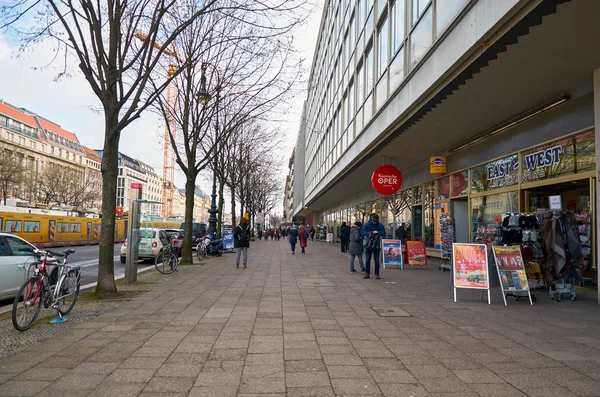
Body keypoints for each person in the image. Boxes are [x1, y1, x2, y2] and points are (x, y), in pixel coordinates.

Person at [360, 213, 386, 279]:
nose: (374, 222)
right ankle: (367, 273)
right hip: (368, 244)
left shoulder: (380, 225)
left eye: (376, 221)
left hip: (376, 245)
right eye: (373, 221)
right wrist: (370, 233)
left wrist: (378, 232)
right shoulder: (367, 224)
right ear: (371, 219)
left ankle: (377, 273)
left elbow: (383, 232)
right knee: (367, 260)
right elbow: (362, 232)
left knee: (377, 260)